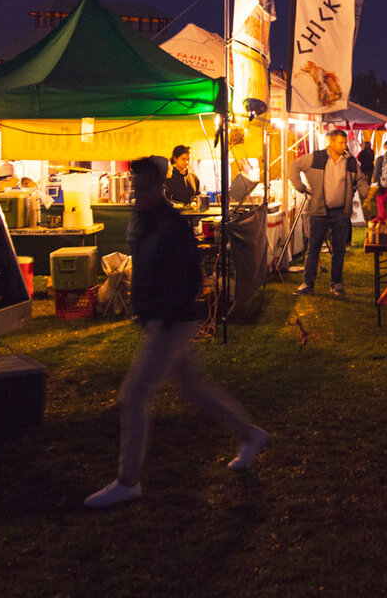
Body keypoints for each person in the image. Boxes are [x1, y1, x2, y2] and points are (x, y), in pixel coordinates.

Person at [83, 156, 268, 509]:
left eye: (142, 187)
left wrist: (165, 315)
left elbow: (191, 278)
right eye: (134, 187)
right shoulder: (145, 222)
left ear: (159, 188)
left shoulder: (171, 226)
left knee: (133, 396)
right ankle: (249, 434)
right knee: (194, 388)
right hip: (163, 318)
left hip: (171, 322)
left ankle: (128, 481)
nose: (136, 194)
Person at [289, 129, 364, 297]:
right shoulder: (316, 158)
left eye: (345, 142)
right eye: (340, 142)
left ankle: (336, 283)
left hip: (340, 213)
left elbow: (360, 179)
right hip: (319, 211)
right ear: (331, 142)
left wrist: (368, 193)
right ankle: (308, 283)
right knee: (313, 248)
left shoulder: (350, 161)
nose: (344, 145)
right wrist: (299, 187)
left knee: (339, 249)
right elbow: (294, 165)